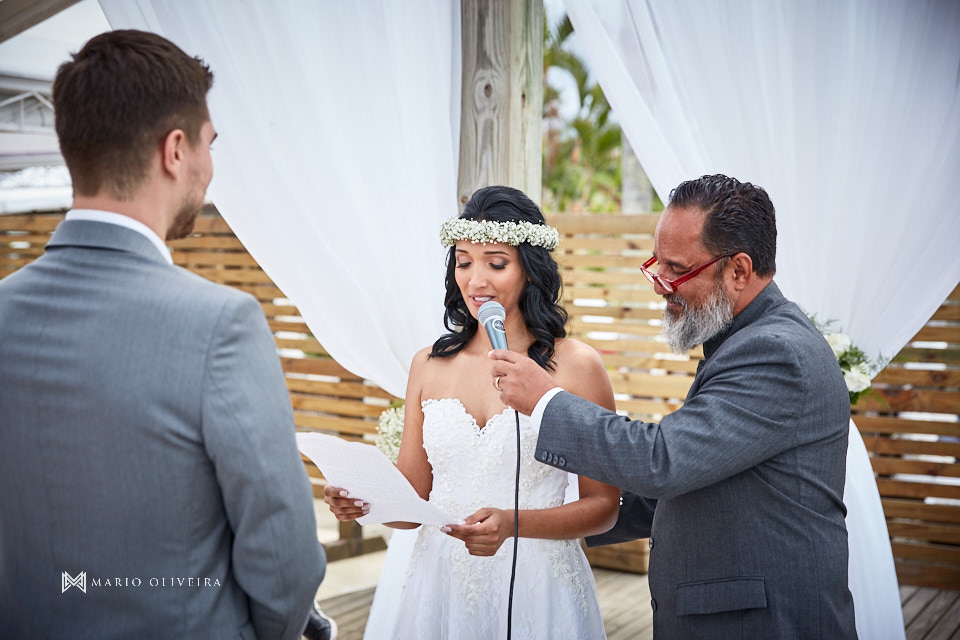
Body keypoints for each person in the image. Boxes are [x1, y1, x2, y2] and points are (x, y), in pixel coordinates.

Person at [0, 30, 331, 640]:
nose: (211, 166)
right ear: (175, 151)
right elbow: (284, 563)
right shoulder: (220, 325)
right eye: (211, 142)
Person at [490, 175, 858, 639]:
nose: (661, 287)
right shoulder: (742, 338)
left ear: (739, 270)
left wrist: (545, 401)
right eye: (655, 266)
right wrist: (562, 513)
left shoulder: (774, 352)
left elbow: (664, 462)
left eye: (677, 270)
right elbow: (693, 481)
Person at [324, 186, 620, 639]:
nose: (475, 281)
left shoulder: (578, 366)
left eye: (496, 263)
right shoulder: (427, 364)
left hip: (539, 586)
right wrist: (366, 502)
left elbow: (603, 506)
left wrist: (515, 525)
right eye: (464, 262)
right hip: (440, 583)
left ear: (529, 267)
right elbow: (411, 504)